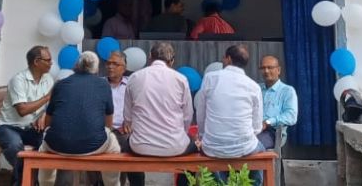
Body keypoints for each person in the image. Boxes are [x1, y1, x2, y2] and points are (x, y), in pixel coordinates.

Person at [40, 51, 122, 186]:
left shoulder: (60, 84)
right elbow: (108, 120)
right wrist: (102, 134)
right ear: (96, 69)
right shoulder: (104, 85)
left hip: (57, 145)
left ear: (76, 66)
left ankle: (45, 184)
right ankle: (112, 184)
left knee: (43, 148)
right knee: (114, 147)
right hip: (95, 145)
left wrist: (49, 132)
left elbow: (49, 118)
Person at [125, 42, 195, 186]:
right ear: (172, 61)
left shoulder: (135, 77)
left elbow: (127, 117)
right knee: (195, 151)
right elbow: (188, 116)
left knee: (126, 147)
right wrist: (181, 134)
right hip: (175, 146)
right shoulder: (181, 79)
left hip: (140, 146)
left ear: (150, 57)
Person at [196, 45, 264, 186]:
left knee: (215, 153)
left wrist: (203, 136)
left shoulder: (210, 78)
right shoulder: (254, 86)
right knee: (261, 151)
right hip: (245, 147)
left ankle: (220, 183)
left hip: (212, 146)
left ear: (228, 59)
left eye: (223, 58)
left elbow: (201, 113)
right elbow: (257, 127)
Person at [0, 45, 55, 186]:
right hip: (9, 127)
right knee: (15, 146)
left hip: (31, 128)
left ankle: (34, 180)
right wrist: (47, 97)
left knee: (50, 142)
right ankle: (24, 181)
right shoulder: (18, 80)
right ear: (36, 62)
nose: (51, 63)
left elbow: (51, 106)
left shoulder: (48, 79)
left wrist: (43, 115)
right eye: (48, 60)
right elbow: (22, 110)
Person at [105, 51, 144, 186]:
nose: (110, 67)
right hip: (104, 130)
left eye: (115, 64)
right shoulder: (99, 84)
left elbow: (141, 108)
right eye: (108, 63)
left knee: (133, 150)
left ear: (124, 67)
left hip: (125, 130)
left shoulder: (132, 84)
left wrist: (131, 122)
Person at [257, 56, 298, 150]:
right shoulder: (256, 89)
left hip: (272, 132)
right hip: (251, 129)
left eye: (270, 67)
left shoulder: (287, 91)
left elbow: (291, 116)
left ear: (278, 70)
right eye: (263, 68)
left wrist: (268, 122)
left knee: (252, 146)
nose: (266, 71)